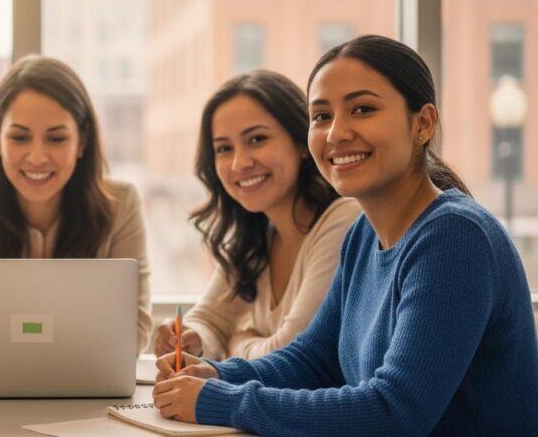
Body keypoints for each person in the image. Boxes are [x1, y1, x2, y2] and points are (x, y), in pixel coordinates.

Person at [153, 35, 538, 435]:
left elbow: (394, 412)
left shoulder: (455, 237)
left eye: (363, 109)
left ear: (422, 124)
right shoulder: (363, 236)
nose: (336, 133)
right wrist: (217, 374)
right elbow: (313, 360)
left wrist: (221, 399)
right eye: (321, 116)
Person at [0, 55, 153, 351]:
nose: (37, 157)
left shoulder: (121, 203)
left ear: (82, 142)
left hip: (82, 391)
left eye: (56, 139)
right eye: (19, 137)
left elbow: (135, 332)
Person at [153, 71, 360, 362]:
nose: (240, 163)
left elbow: (290, 355)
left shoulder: (344, 220)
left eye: (257, 139)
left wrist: (239, 345)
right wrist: (189, 338)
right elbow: (210, 320)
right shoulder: (256, 235)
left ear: (302, 142)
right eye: (224, 148)